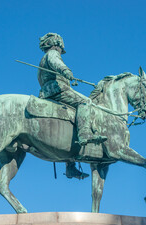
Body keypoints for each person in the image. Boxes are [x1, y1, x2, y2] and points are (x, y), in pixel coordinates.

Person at [38, 33, 107, 180]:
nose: (60, 48)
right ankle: (85, 134)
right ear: (56, 44)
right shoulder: (52, 54)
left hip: (49, 91)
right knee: (86, 102)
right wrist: (66, 71)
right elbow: (57, 63)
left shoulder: (45, 57)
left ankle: (70, 166)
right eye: (60, 45)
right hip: (57, 90)